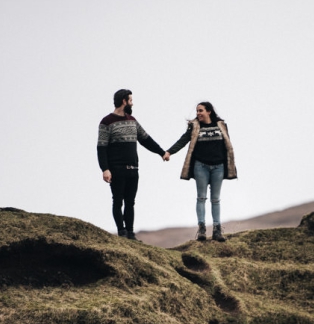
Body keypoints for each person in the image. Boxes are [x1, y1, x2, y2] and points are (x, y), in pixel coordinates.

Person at [97, 89, 170, 240]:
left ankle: (130, 233)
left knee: (130, 202)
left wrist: (161, 152)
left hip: (133, 169)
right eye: (130, 100)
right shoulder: (106, 122)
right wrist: (105, 169)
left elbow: (145, 139)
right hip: (116, 169)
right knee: (118, 201)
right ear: (124, 101)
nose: (132, 103)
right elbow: (101, 147)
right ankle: (121, 231)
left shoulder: (132, 120)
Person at [167, 101, 238, 242]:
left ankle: (217, 230)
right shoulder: (194, 126)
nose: (198, 113)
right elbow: (183, 140)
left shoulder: (221, 125)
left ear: (209, 111)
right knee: (201, 197)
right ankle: (202, 230)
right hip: (201, 166)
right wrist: (169, 152)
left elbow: (227, 145)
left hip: (218, 166)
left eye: (201, 110)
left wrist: (228, 165)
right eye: (197, 111)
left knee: (216, 199)